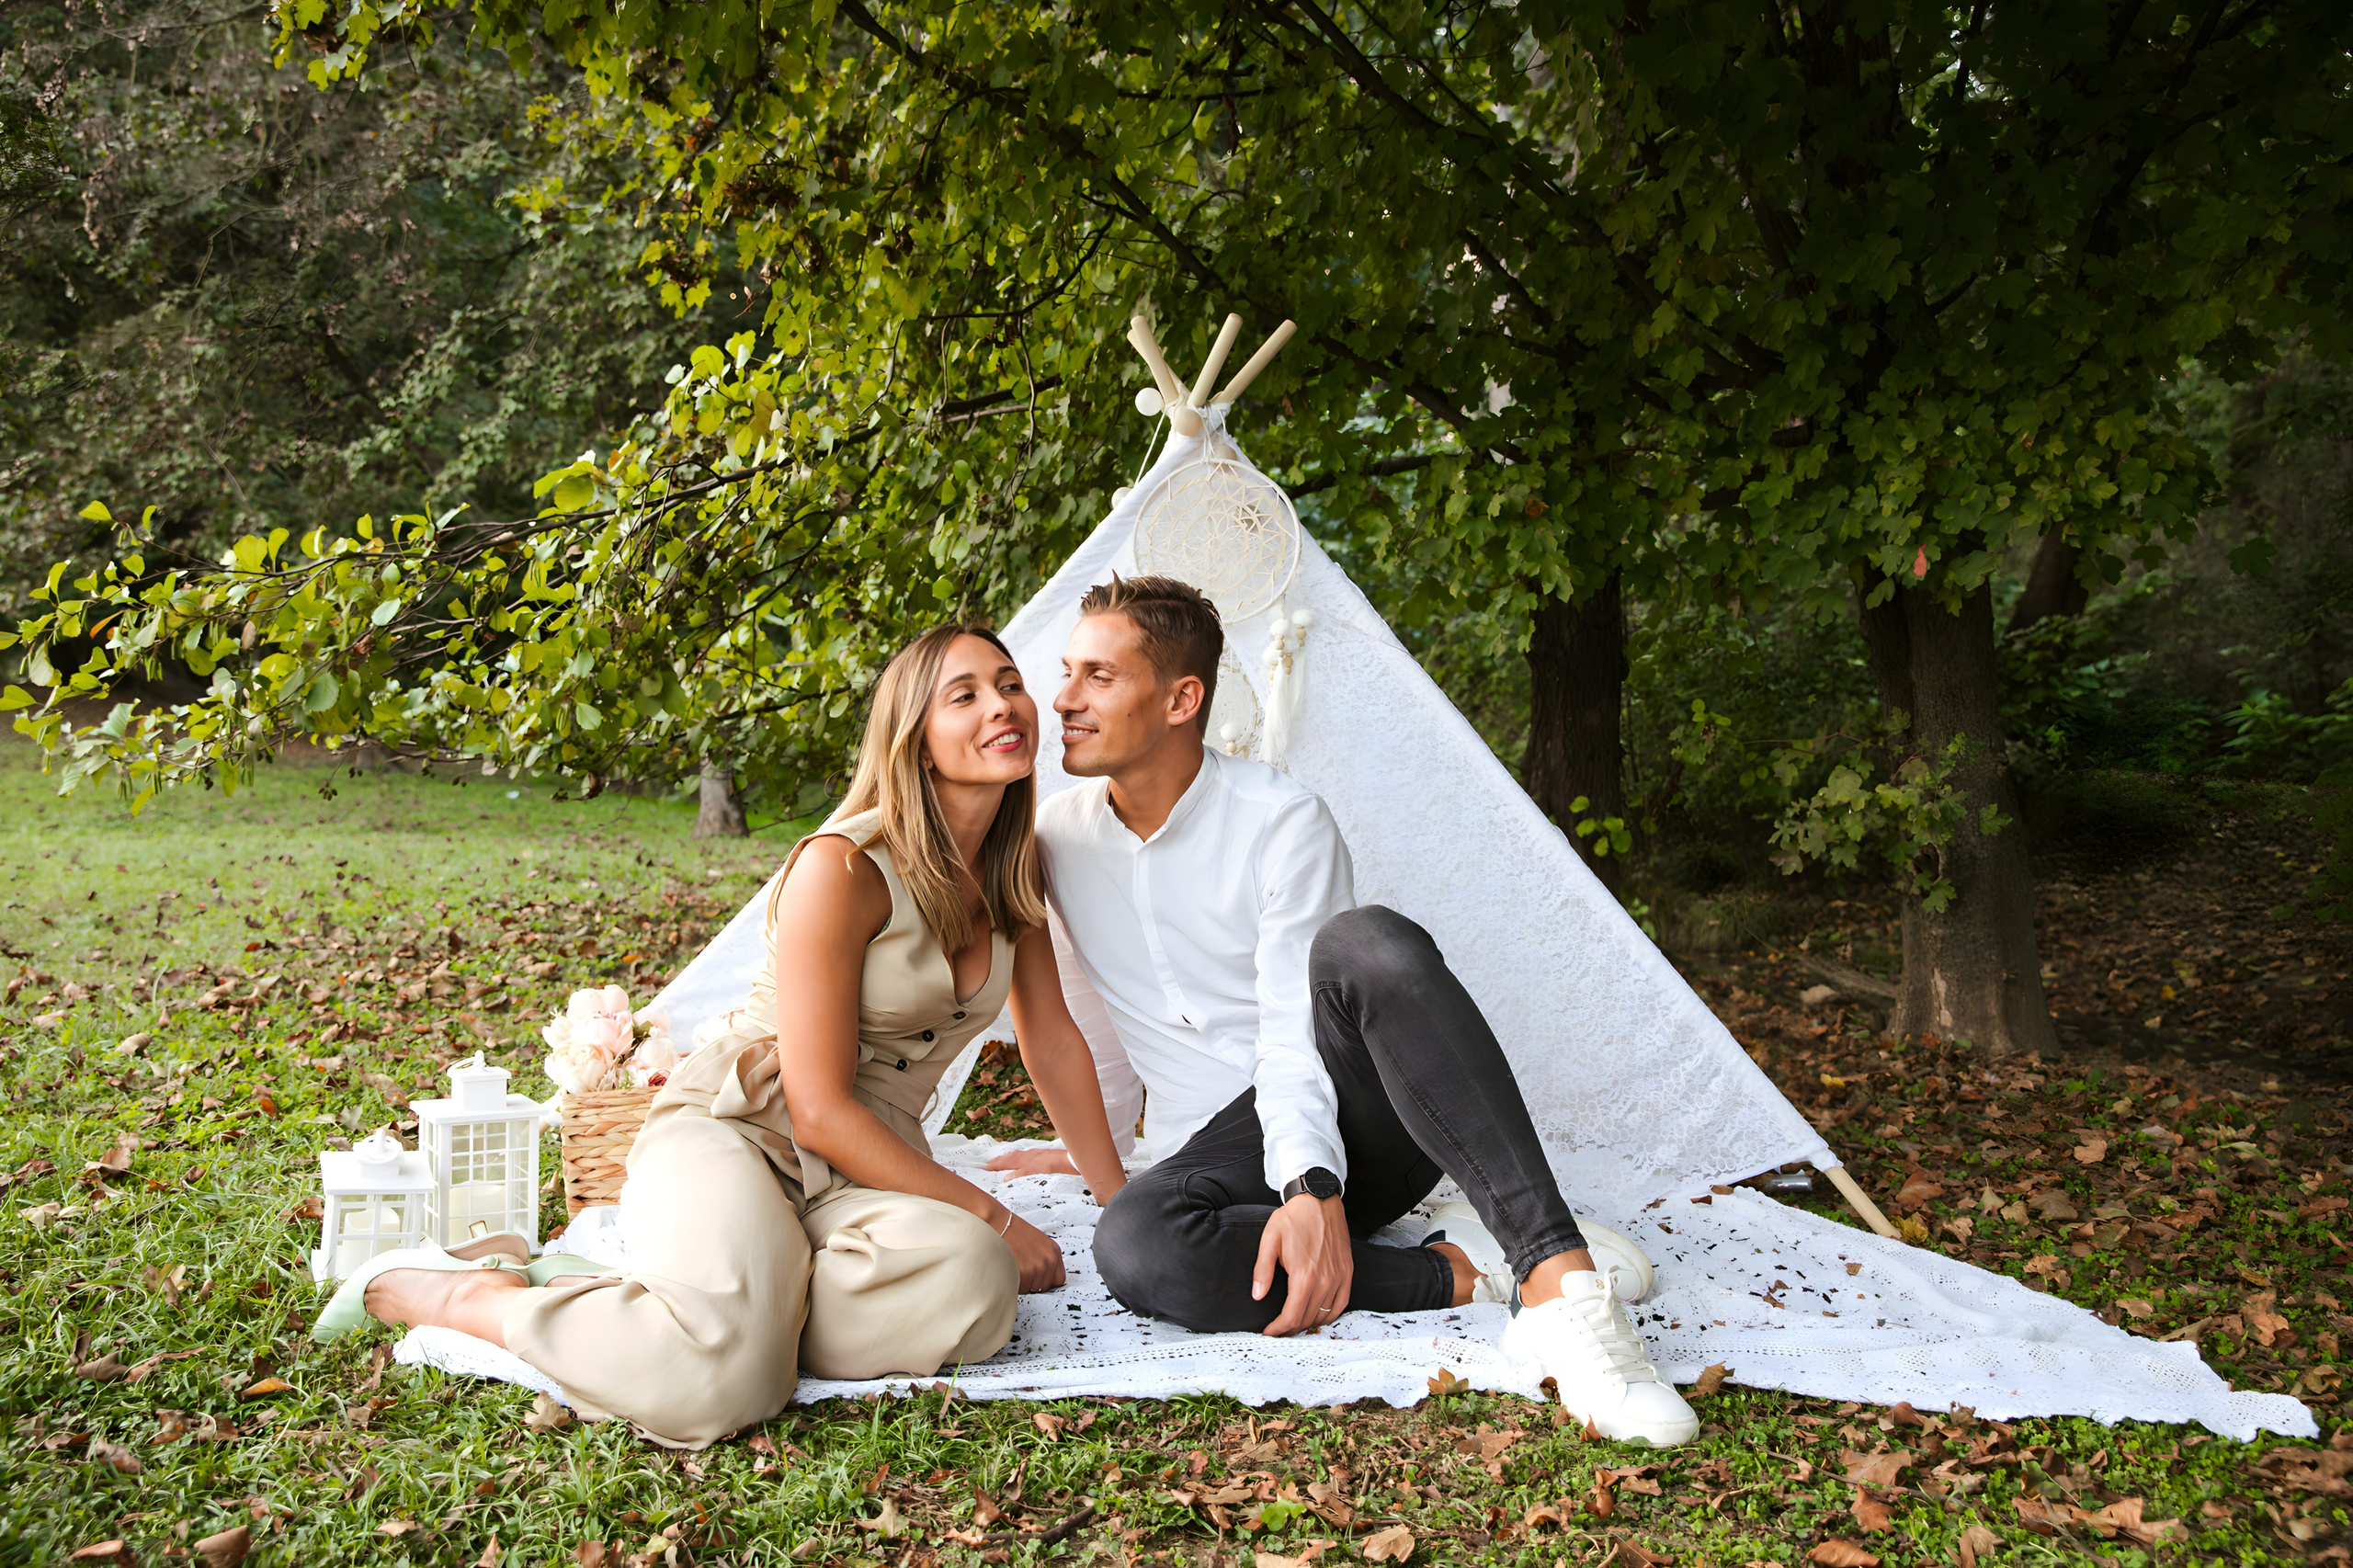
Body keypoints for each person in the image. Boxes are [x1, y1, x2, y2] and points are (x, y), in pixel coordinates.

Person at [313, 625, 1129, 1449]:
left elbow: (1052, 1043)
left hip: (871, 1163)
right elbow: (815, 1110)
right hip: (742, 1129)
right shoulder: (844, 867)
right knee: (724, 1388)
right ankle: (473, 1296)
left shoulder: (1011, 869)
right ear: (914, 740)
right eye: (966, 695)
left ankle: (705, 1308)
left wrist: (1120, 1203)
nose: (1003, 706)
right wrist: (992, 1214)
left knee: (971, 1280)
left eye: (1009, 684)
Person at [988, 575, 1699, 1448]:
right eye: (1066, 672)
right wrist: (1093, 1158)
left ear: (1182, 699)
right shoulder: (1054, 839)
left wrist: (1309, 1182)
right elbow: (1073, 1019)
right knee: (1138, 1243)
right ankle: (1458, 1272)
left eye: (1098, 676)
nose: (1061, 698)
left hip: (1352, 1119)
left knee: (1366, 943)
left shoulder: (1280, 818)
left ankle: (1558, 1277)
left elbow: (1295, 1027)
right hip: (1208, 1162)